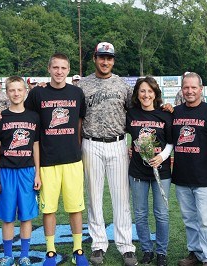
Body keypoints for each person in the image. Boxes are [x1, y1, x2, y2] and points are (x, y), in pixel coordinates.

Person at [0, 53, 89, 266]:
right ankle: (50, 251)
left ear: (68, 70)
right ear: (49, 68)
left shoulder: (77, 92)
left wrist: (76, 146)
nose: (59, 71)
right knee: (49, 209)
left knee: (75, 207)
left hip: (72, 159)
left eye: (63, 68)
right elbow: (22, 114)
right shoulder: (37, 94)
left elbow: (79, 123)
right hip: (47, 161)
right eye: (55, 67)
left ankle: (78, 250)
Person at [77, 42, 138, 266]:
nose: (105, 62)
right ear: (94, 58)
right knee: (94, 196)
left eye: (109, 58)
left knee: (121, 197)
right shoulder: (82, 85)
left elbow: (137, 113)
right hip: (90, 143)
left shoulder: (123, 85)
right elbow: (78, 118)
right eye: (101, 57)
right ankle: (98, 244)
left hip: (117, 143)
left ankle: (125, 246)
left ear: (113, 60)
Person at [0, 76, 41, 266]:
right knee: (8, 216)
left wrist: (38, 173)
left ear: (25, 91)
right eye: (12, 90)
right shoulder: (0, 118)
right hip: (6, 172)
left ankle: (24, 255)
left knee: (26, 215)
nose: (16, 93)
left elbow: (36, 147)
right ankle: (8, 255)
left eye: (19, 90)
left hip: (27, 172)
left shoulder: (34, 117)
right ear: (7, 92)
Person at [172, 72, 207, 266]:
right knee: (189, 219)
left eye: (194, 87)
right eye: (186, 87)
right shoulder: (175, 112)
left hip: (205, 177)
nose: (190, 91)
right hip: (182, 175)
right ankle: (195, 253)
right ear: (182, 89)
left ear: (201, 89)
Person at [126, 76, 173, 266]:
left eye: (150, 91)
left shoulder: (165, 114)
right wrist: (128, 149)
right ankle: (146, 249)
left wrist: (162, 156)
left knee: (161, 213)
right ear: (138, 93)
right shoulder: (131, 114)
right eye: (142, 91)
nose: (146, 95)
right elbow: (121, 135)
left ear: (155, 94)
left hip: (161, 172)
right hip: (138, 172)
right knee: (140, 213)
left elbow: (171, 141)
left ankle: (161, 252)